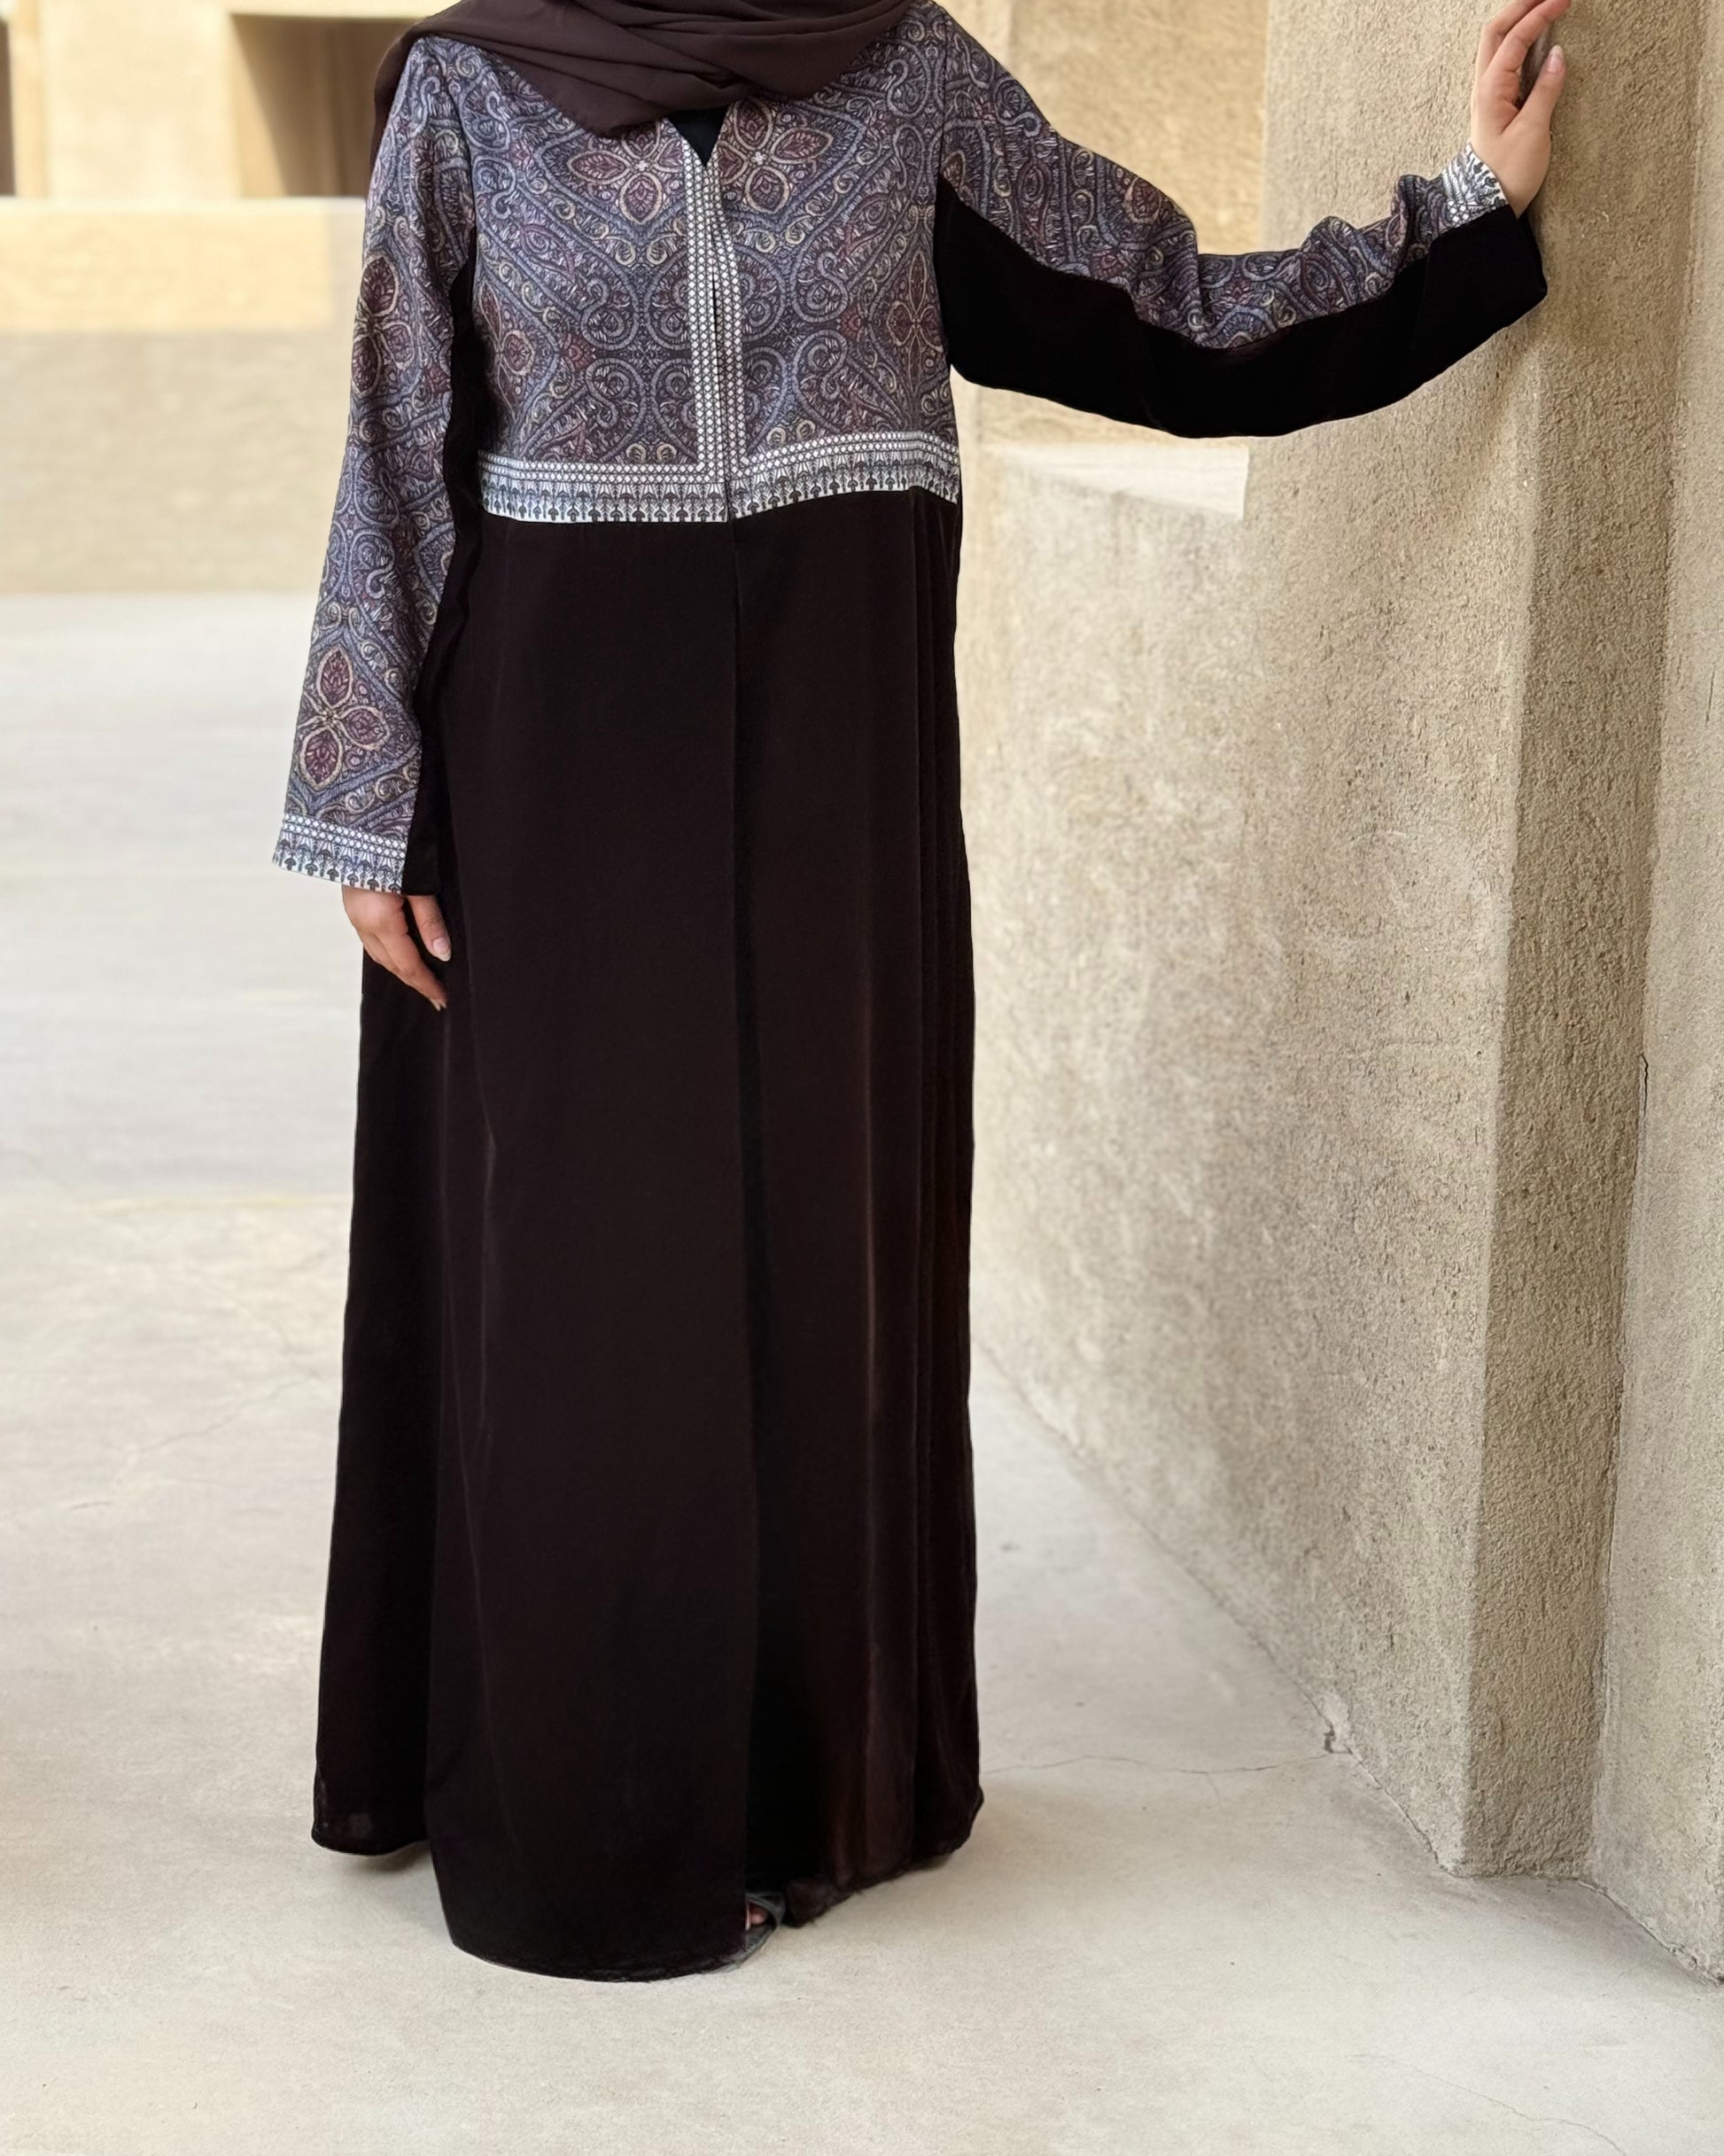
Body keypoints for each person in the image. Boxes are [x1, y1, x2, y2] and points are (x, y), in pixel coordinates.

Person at [273, 0, 1568, 1981]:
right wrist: (369, 798)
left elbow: (1156, 304)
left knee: (815, 1252)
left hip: (832, 785)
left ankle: (802, 1796)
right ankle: (587, 1815)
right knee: (586, 1282)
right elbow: (394, 438)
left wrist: (1464, 211)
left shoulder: (899, 76)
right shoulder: (470, 91)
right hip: (552, 788)